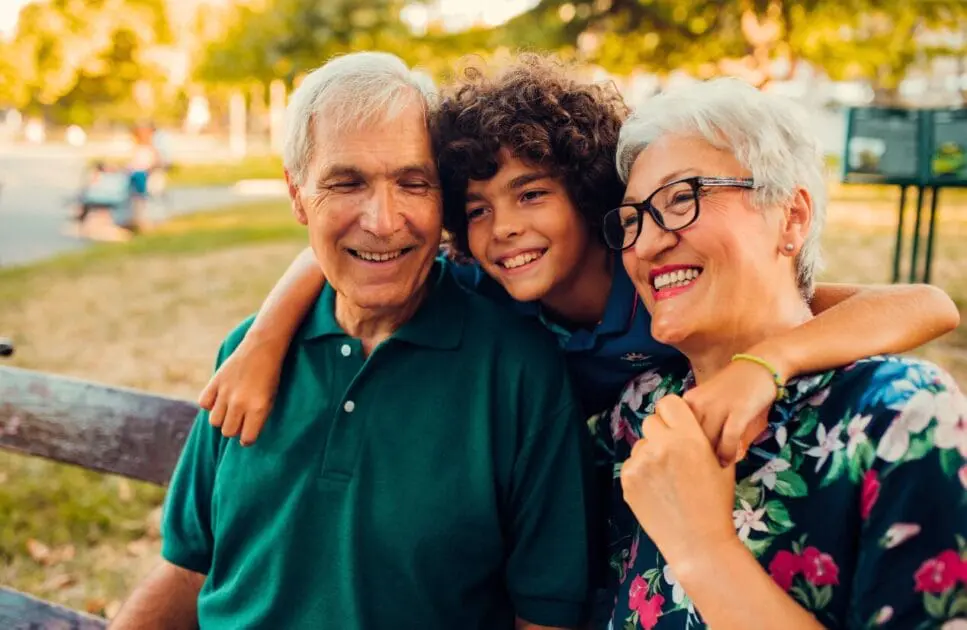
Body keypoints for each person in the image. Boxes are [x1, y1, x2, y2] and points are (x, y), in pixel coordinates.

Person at [199, 55, 958, 469]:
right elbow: (347, 252)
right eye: (477, 209)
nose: (504, 231)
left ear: (588, 193)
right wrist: (265, 341)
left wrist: (767, 361)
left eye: (531, 195)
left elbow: (926, 304)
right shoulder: (484, 286)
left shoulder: (667, 289)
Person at [110, 52, 594, 630]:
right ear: (297, 195)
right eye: (347, 183)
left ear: (442, 199)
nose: (384, 221)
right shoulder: (249, 353)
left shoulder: (518, 372)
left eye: (413, 183)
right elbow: (187, 571)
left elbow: (545, 615)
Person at [609, 78, 967, 629]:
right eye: (632, 220)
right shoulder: (637, 409)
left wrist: (703, 546)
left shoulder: (898, 415)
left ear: (792, 218)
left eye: (683, 198)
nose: (648, 243)